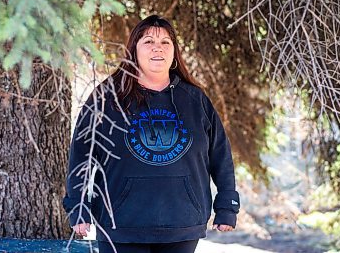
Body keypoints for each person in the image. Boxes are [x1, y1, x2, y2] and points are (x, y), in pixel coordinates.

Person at [63, 15, 240, 253]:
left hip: (182, 223)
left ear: (174, 52)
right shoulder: (107, 97)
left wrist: (227, 205)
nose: (158, 48)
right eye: (148, 41)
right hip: (120, 224)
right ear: (133, 50)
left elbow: (220, 155)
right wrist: (78, 205)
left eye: (166, 42)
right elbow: (81, 156)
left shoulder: (195, 99)